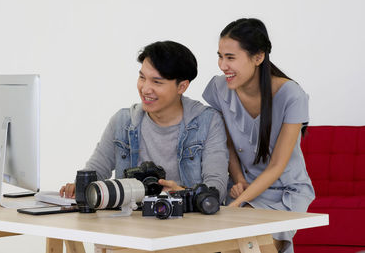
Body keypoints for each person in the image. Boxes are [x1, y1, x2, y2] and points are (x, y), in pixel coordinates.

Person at [60, 40, 229, 203]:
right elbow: (96, 170)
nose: (145, 89)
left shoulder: (207, 122)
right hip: (130, 221)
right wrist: (80, 186)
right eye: (142, 77)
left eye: (157, 82)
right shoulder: (123, 121)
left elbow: (216, 188)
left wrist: (183, 194)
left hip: (189, 223)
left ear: (182, 86)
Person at [202, 18, 315, 253]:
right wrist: (239, 179)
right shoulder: (218, 88)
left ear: (258, 57)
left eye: (230, 57)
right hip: (243, 185)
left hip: (283, 190)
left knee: (245, 243)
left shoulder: (291, 95)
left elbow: (277, 166)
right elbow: (227, 144)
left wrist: (237, 204)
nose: (222, 65)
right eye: (220, 56)